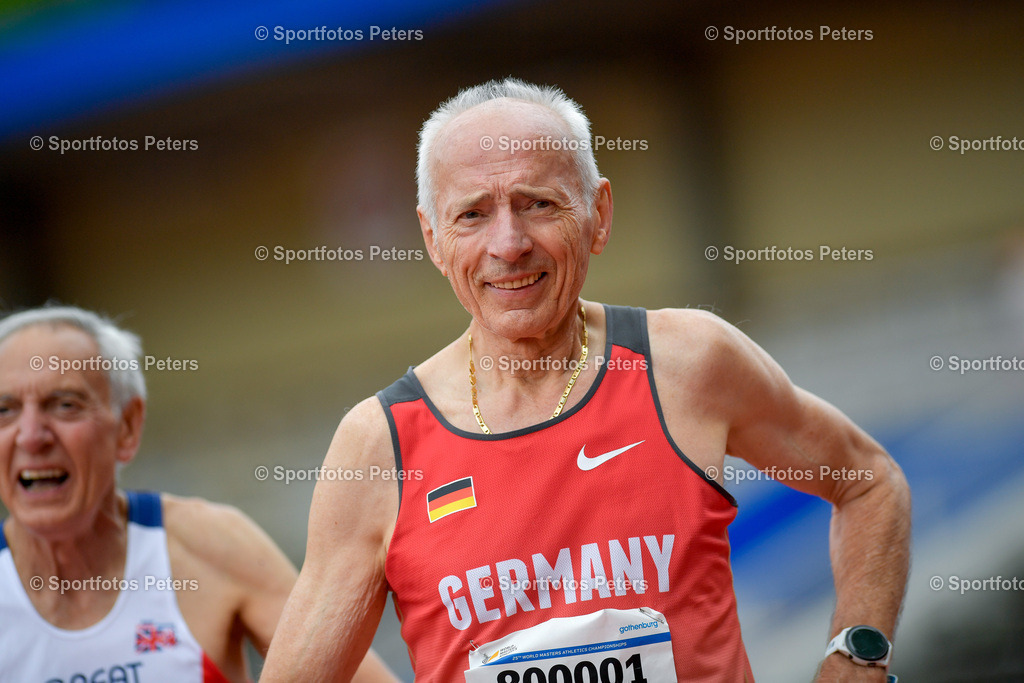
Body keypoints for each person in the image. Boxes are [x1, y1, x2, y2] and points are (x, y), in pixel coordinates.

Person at [262, 78, 911, 682]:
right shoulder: (380, 446)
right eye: (473, 215)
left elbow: (869, 483)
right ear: (433, 239)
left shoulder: (687, 364)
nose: (509, 243)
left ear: (598, 214)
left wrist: (854, 655)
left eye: (537, 203)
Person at [0, 305, 396, 683]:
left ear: (128, 427)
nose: (31, 436)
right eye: (5, 410)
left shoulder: (212, 546)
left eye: (65, 405)